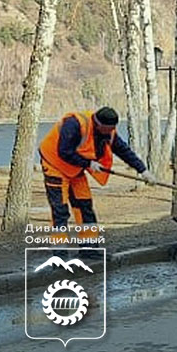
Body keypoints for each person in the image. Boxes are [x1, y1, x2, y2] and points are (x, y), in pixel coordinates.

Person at [39, 107, 156, 257]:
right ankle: (59, 253)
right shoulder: (74, 124)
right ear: (99, 124)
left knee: (85, 206)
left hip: (76, 168)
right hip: (55, 164)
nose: (111, 132)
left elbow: (123, 151)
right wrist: (88, 163)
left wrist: (143, 170)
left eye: (113, 128)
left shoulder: (108, 132)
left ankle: (89, 248)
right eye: (108, 129)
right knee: (60, 211)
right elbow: (64, 151)